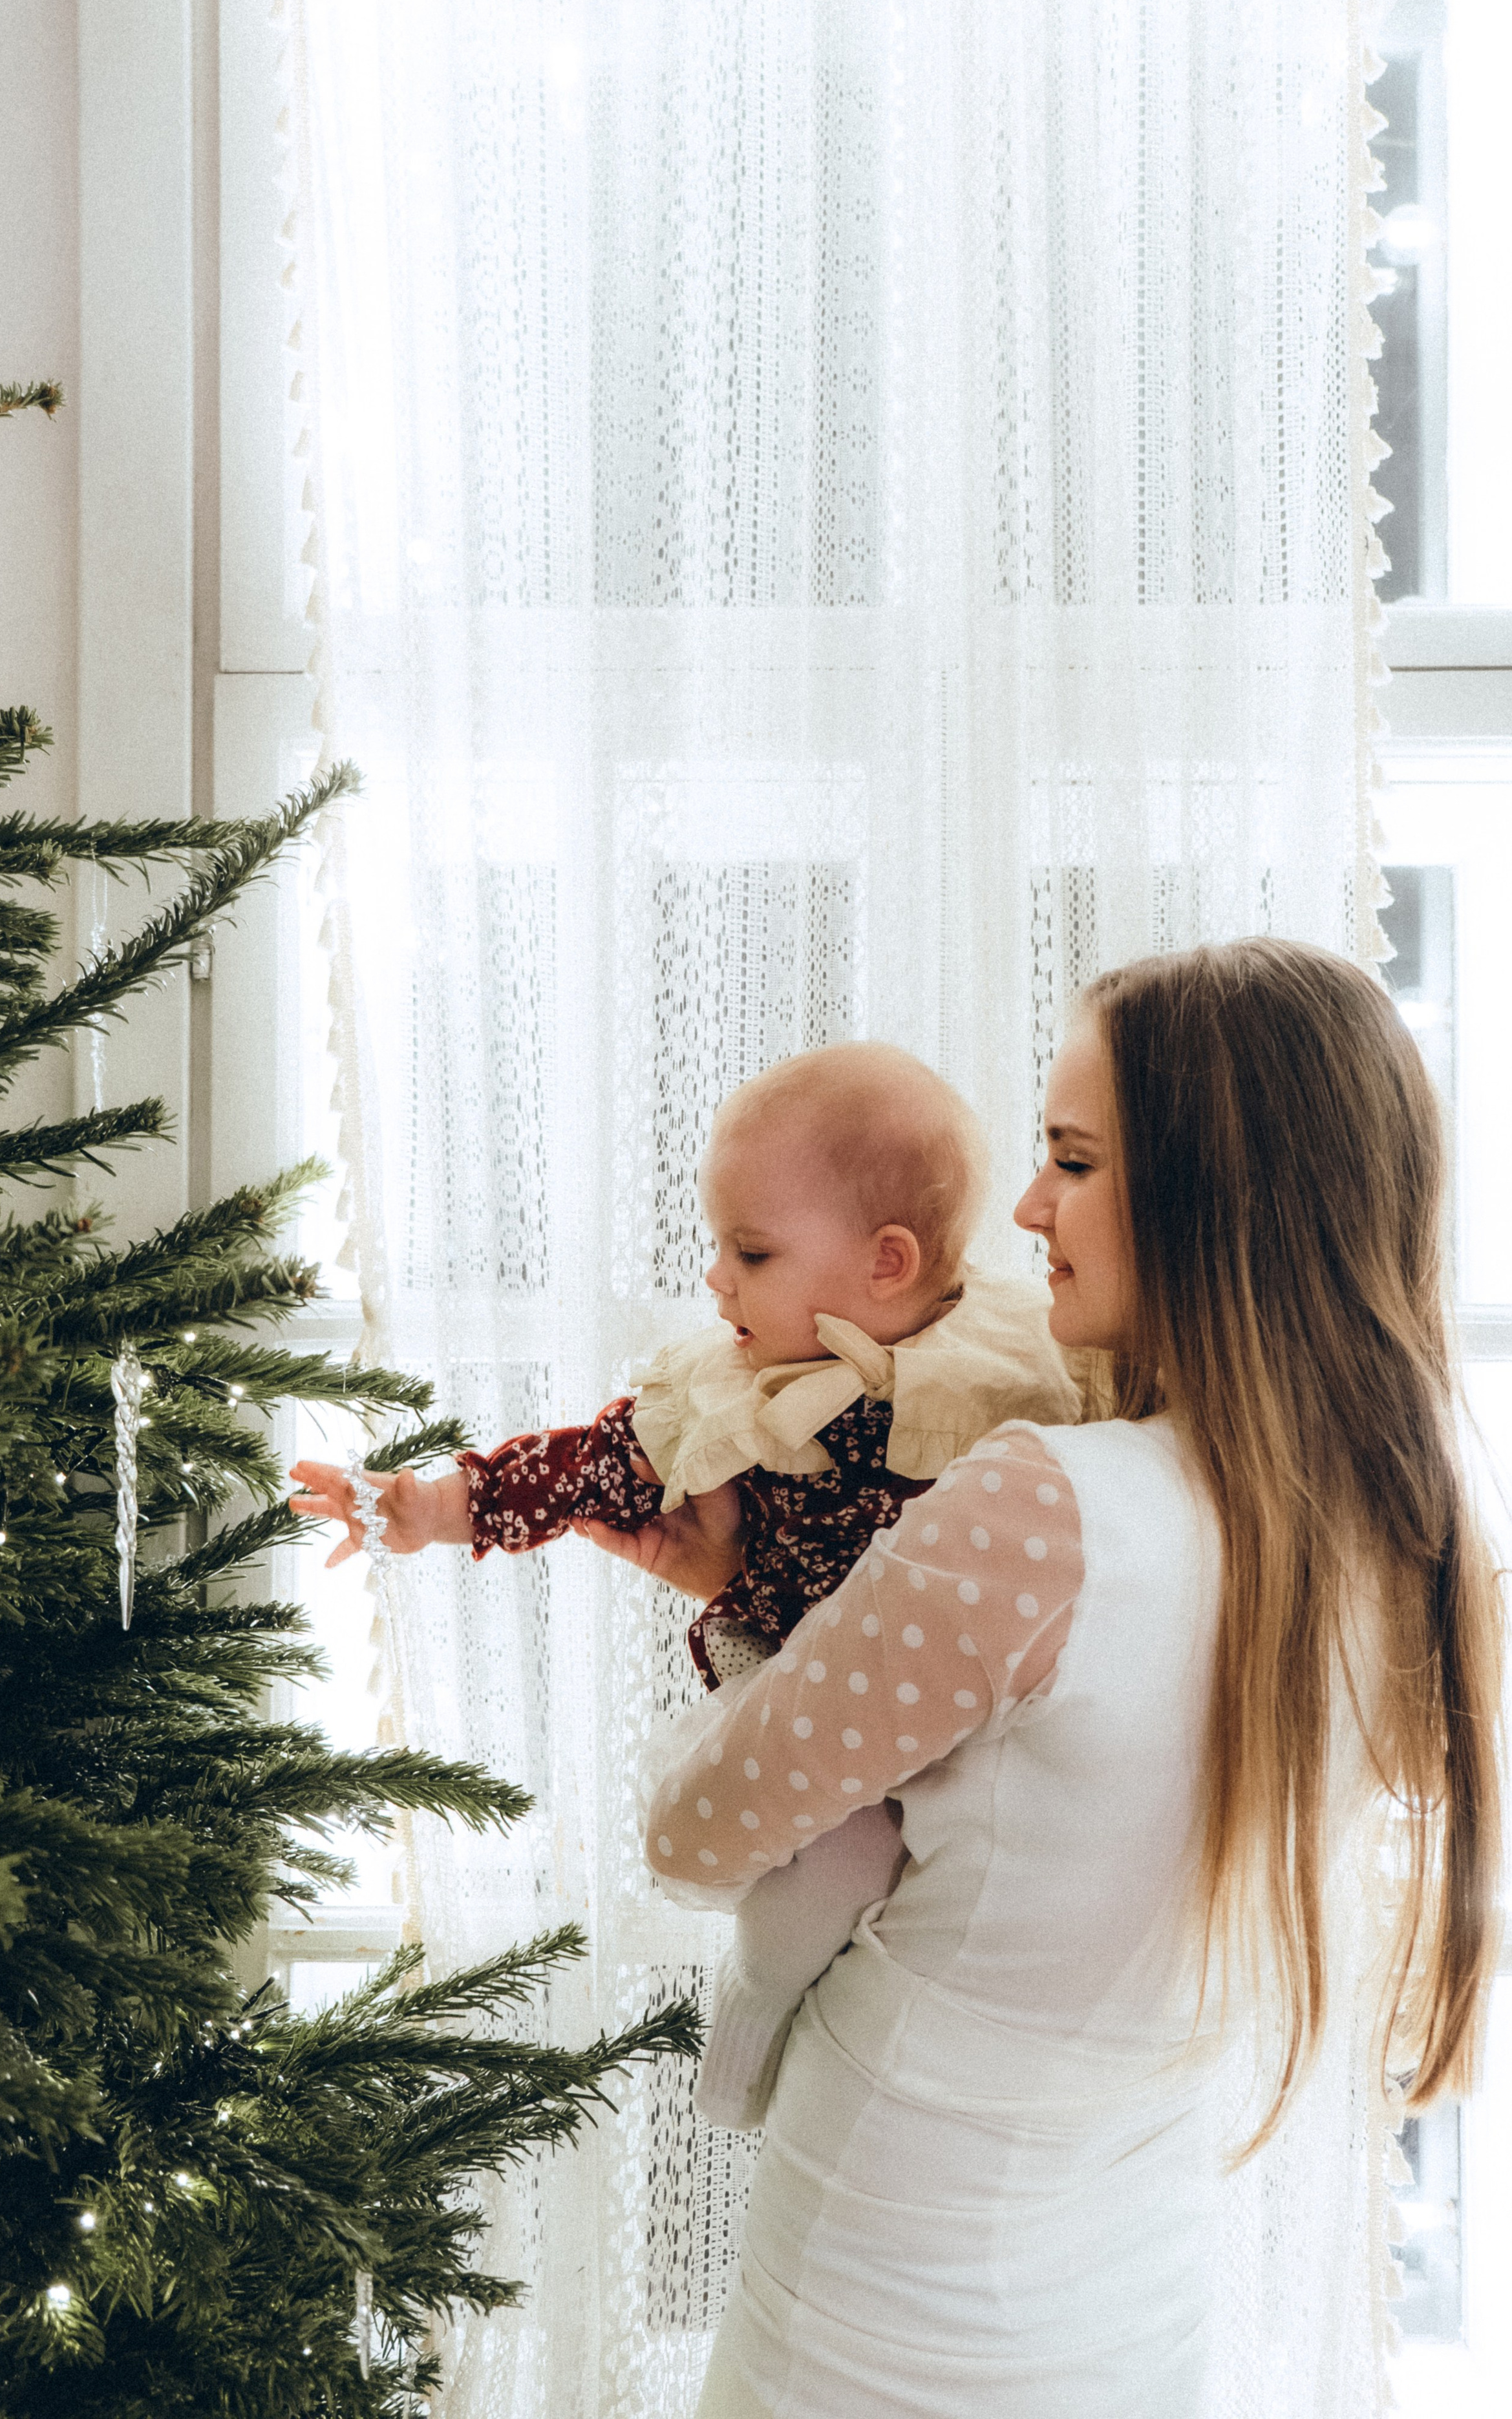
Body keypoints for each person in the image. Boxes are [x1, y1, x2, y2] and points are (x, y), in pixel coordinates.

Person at [627, 939, 1502, 2418]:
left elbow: (697, 1834)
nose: (1025, 1208)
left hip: (879, 2281)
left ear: (1210, 1194)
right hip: (1133, 2297)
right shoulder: (1414, 1537)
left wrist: (740, 1618)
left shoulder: (1038, 1512)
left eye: (1073, 1160)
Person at [289, 1041, 1081, 2125]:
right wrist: (440, 1507)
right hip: (806, 1686)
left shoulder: (1018, 1368)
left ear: (887, 1263)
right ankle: (750, 2023)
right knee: (830, 1877)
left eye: (750, 1253)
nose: (718, 1280)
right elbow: (591, 1465)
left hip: (971, 1721)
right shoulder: (741, 1380)